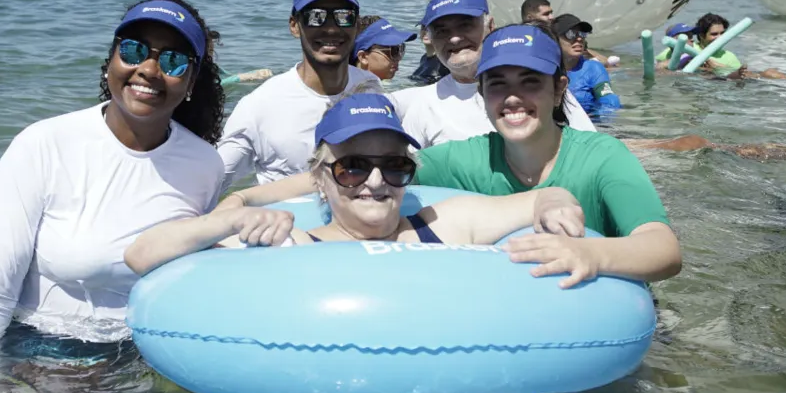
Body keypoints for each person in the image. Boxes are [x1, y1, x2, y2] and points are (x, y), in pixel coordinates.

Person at [222, 24, 682, 280]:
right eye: (498, 84)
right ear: (481, 94)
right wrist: (244, 200)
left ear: (559, 89)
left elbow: (663, 249)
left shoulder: (602, 156)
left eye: (531, 83)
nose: (513, 98)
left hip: (599, 303)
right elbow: (355, 174)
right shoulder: (461, 159)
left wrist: (595, 257)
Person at [0, 0, 226, 386]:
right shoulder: (43, 144)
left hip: (142, 360)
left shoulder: (205, 165)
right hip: (40, 353)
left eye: (174, 61)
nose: (149, 69)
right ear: (110, 61)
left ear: (191, 82)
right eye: (134, 50)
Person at [130, 91, 678, 290]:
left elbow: (539, 198)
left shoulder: (443, 222)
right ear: (321, 175)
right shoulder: (288, 243)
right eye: (352, 167)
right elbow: (140, 256)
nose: (375, 182)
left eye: (394, 167)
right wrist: (229, 217)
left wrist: (556, 199)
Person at [217, 0, 380, 190]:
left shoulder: (370, 88)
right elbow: (212, 185)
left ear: (356, 24)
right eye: (316, 16)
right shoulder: (259, 106)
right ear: (294, 25)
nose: (331, 28)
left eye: (344, 16)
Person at [390, 0, 595, 150]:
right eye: (441, 30)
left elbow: (589, 148)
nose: (454, 38)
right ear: (430, 39)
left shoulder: (540, 89)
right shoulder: (424, 104)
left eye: (465, 25)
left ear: (490, 26)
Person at [553, 13, 621, 117]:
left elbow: (610, 101)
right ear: (555, 39)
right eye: (571, 34)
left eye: (582, 34)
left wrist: (595, 117)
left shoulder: (593, 68)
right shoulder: (544, 68)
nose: (579, 38)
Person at [350, 16, 416, 81]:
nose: (399, 57)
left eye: (400, 48)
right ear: (363, 57)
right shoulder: (358, 90)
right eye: (393, 51)